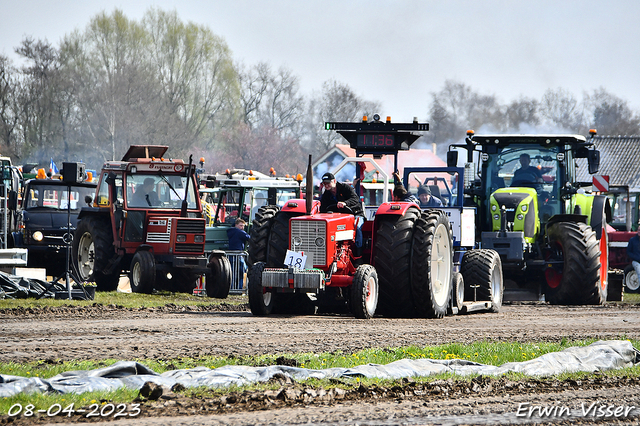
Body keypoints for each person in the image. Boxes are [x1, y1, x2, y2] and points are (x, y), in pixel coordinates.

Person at [319, 172, 364, 248]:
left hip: (355, 214)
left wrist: (345, 203)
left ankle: (358, 252)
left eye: (328, 183)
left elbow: (355, 199)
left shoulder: (345, 188)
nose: (326, 185)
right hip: (339, 218)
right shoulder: (326, 195)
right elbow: (323, 208)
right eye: (324, 184)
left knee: (357, 227)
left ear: (334, 181)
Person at [227, 218, 250, 289]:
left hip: (231, 254)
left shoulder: (230, 231)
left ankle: (231, 288)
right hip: (238, 254)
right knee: (242, 271)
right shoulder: (239, 232)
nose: (242, 228)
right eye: (241, 225)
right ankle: (239, 288)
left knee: (232, 272)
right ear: (236, 225)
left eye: (243, 226)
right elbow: (248, 237)